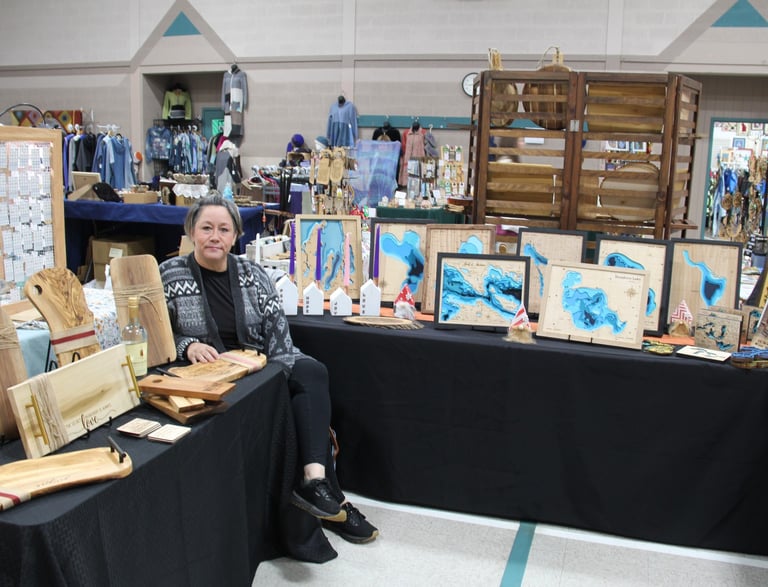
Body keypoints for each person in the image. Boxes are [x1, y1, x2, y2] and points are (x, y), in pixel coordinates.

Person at [159, 192, 378, 545]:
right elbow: (158, 333)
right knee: (294, 407)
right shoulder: (169, 274)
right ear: (191, 231)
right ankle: (334, 505)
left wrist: (272, 376)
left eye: (224, 229)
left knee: (313, 372)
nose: (215, 236)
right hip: (208, 376)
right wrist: (188, 345)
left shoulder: (253, 274)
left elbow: (278, 333)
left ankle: (315, 482)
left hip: (261, 365)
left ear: (235, 235)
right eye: (206, 228)